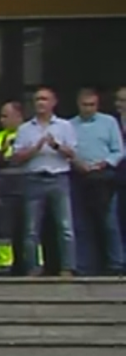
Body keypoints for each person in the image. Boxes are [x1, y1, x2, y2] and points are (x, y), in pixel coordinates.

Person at [11, 86, 79, 277]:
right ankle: (32, 267)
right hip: (34, 179)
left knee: (65, 226)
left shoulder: (64, 126)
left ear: (53, 102)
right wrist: (36, 147)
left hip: (58, 178)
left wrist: (55, 145)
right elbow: (17, 157)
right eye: (37, 100)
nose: (40, 103)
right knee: (31, 229)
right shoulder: (25, 128)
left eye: (44, 99)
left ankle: (67, 267)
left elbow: (72, 154)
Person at [69, 87, 124, 276]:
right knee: (81, 223)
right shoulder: (69, 125)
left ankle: (116, 263)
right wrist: (77, 163)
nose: (88, 109)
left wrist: (105, 163)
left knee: (109, 221)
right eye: (85, 105)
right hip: (79, 176)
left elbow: (119, 150)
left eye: (92, 105)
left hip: (104, 177)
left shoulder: (109, 123)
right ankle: (84, 265)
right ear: (78, 104)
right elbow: (67, 151)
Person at [0, 100, 27, 275]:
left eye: (6, 116)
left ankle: (30, 263)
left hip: (26, 185)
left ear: (18, 116)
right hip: (4, 187)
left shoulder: (29, 133)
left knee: (29, 227)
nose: (2, 120)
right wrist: (2, 150)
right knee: (4, 229)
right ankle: (3, 265)